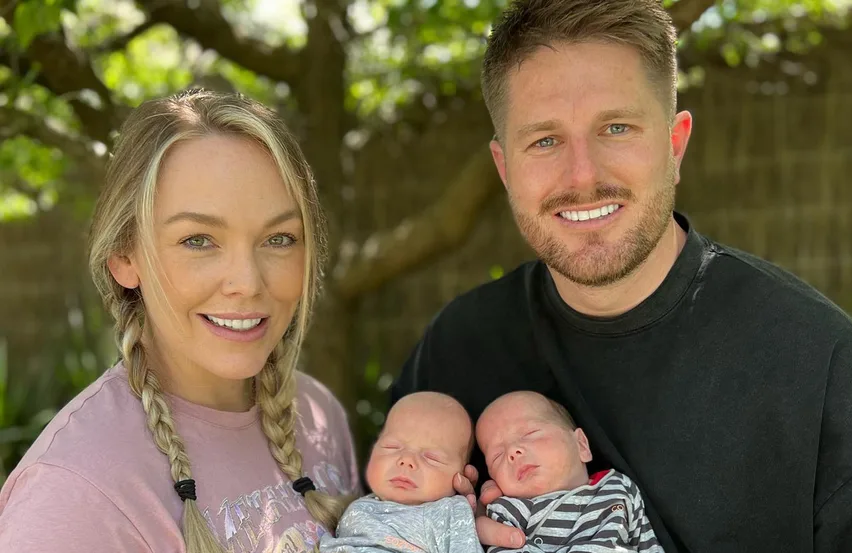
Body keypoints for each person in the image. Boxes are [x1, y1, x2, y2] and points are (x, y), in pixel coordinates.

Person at [391, 0, 852, 551]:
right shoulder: (457, 350)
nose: (582, 176)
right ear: (504, 168)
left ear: (674, 146)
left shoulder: (821, 367)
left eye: (616, 127)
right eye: (544, 140)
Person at [0, 90, 359, 553]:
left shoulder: (318, 414)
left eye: (279, 238)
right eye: (198, 241)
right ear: (124, 256)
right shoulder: (72, 494)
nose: (247, 282)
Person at [476, 391, 662, 553]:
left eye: (529, 433)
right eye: (497, 456)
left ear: (581, 445)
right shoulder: (507, 513)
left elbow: (648, 543)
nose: (512, 452)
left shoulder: (618, 487)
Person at [319, 392, 482, 553]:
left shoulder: (450, 514)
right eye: (392, 447)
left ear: (464, 476)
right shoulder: (356, 507)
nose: (406, 460)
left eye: (431, 458)